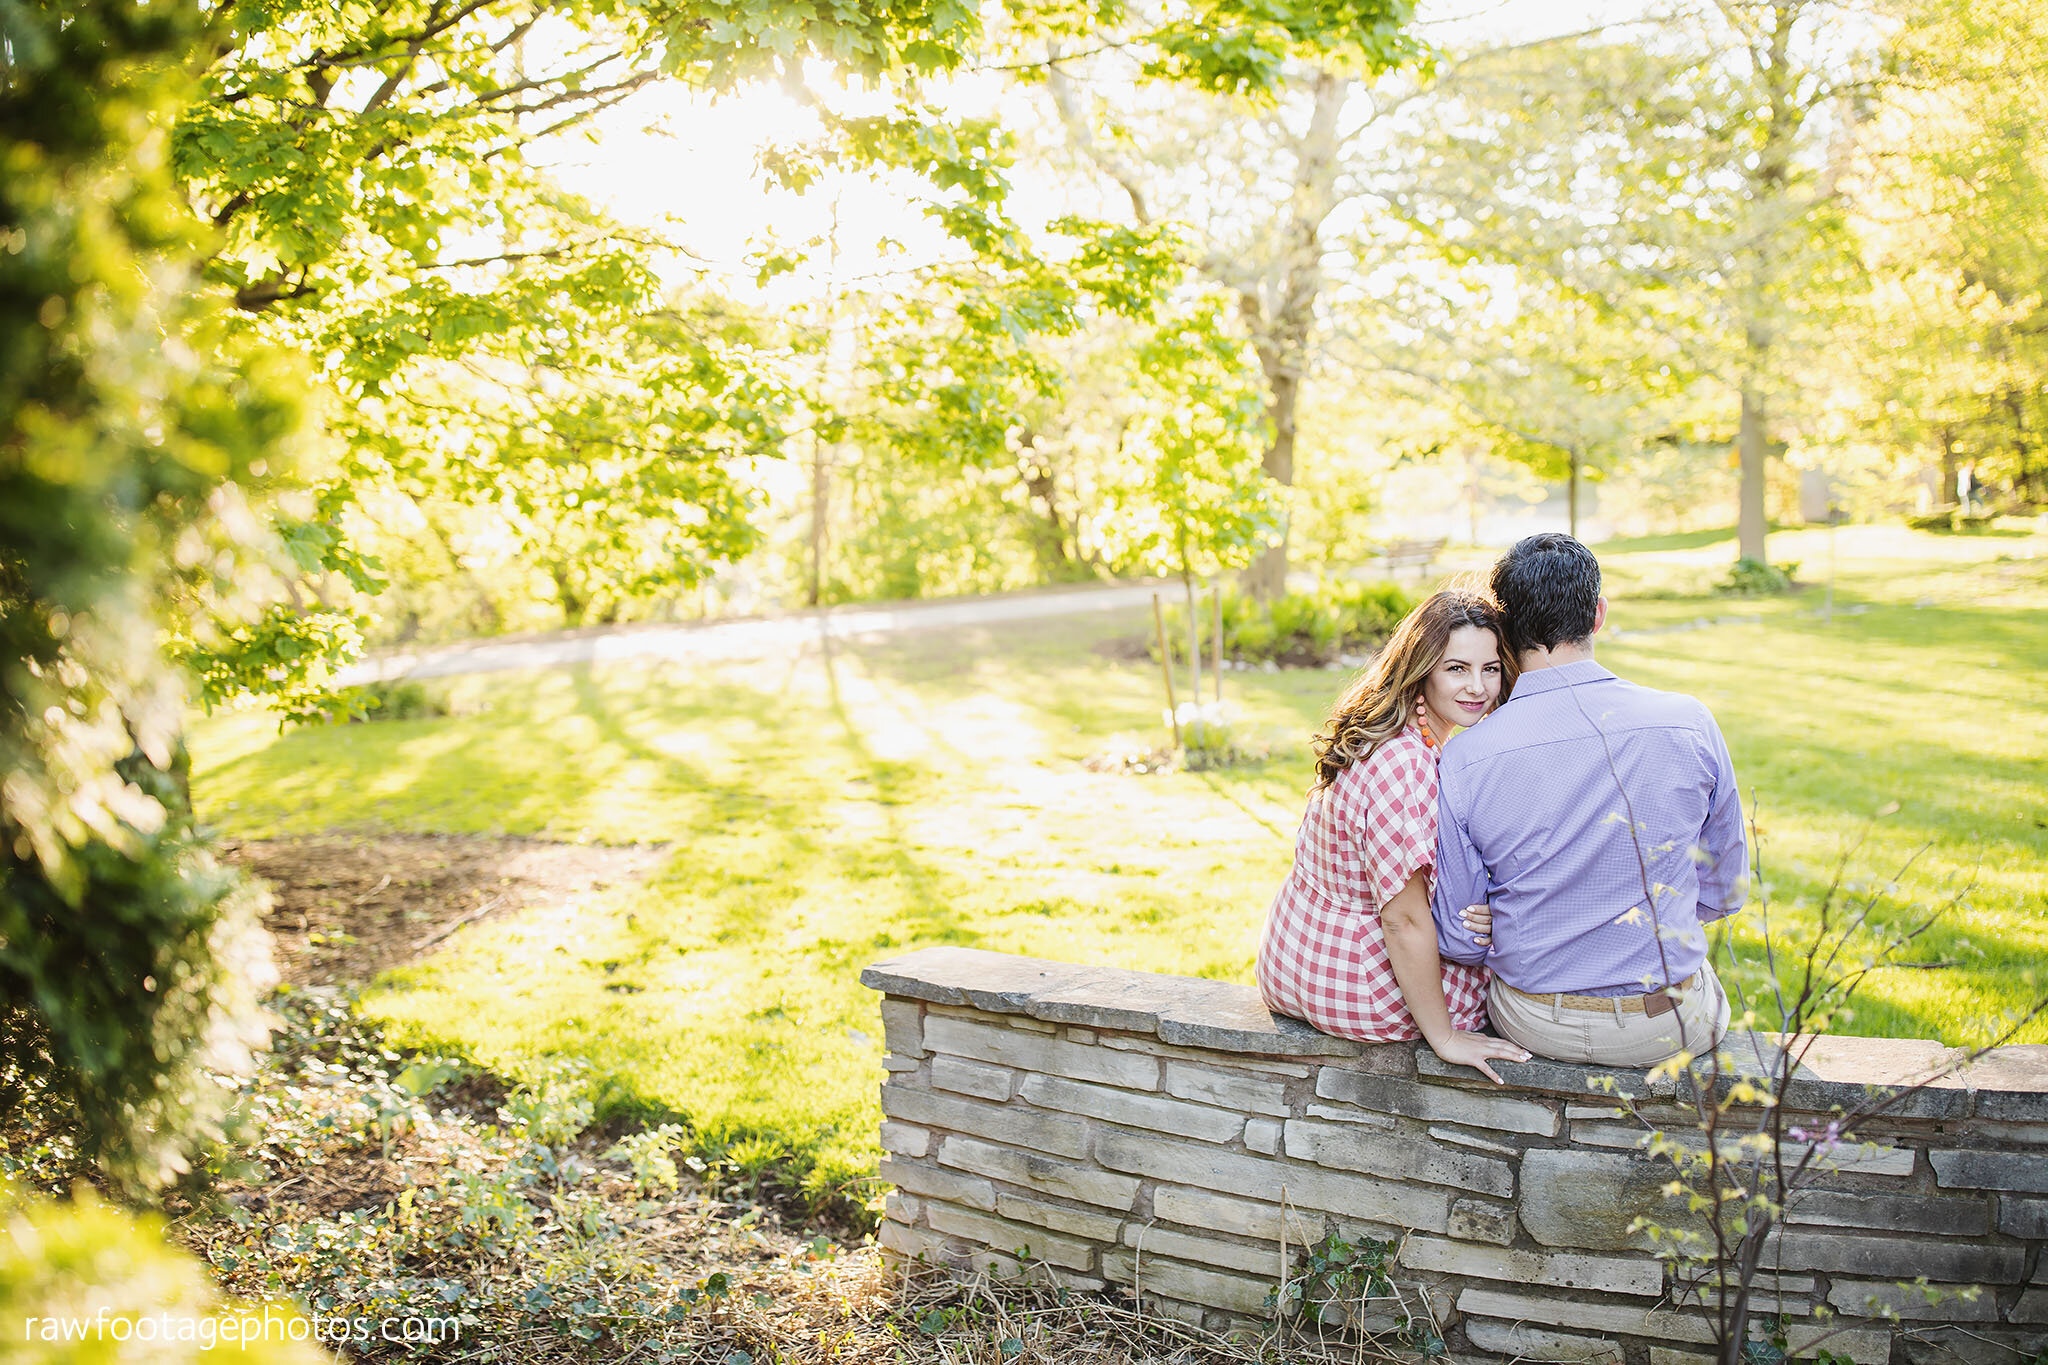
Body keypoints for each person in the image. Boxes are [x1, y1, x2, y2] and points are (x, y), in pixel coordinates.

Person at [1431, 533, 1749, 1067]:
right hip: (1669, 1023)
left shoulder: (1465, 757)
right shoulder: (1689, 722)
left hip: (1535, 1020)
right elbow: (1726, 889)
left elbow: (1460, 940)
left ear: (1505, 633)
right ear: (1597, 615)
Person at [1256, 589, 1532, 1083]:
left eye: (1490, 669)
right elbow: (1403, 920)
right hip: (1357, 988)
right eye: (1456, 669)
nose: (1477, 687)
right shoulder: (1404, 764)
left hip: (1296, 957)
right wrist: (1444, 1037)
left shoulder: (1387, 730)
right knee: (1527, 981)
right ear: (1421, 668)